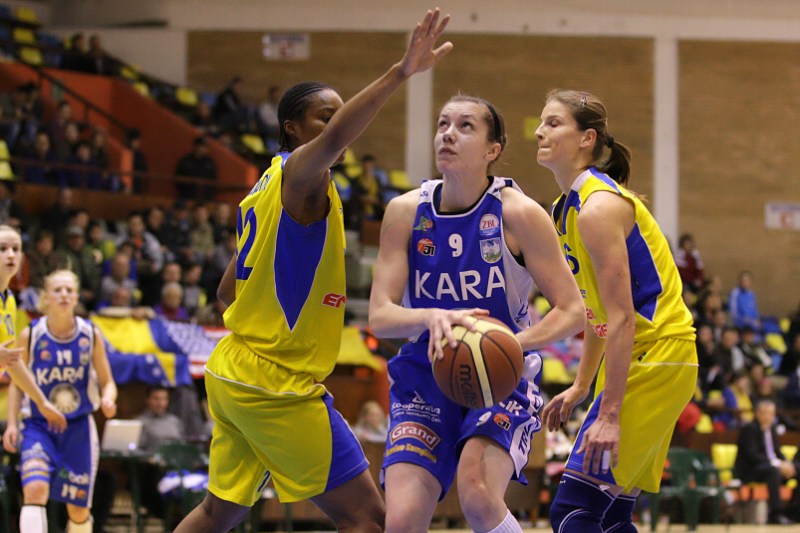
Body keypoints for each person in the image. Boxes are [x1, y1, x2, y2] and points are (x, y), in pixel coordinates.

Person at [173, 9, 453, 533]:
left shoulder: (267, 186)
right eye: (326, 117)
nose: (338, 125)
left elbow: (226, 291)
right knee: (368, 519)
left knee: (218, 513)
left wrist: (266, 319)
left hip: (234, 369)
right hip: (274, 383)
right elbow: (334, 140)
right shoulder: (303, 177)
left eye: (337, 116)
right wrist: (400, 73)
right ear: (293, 128)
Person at [368, 94, 584, 533]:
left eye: (465, 126)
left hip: (499, 377)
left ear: (492, 149)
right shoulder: (405, 212)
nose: (448, 134)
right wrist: (430, 317)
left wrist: (510, 344)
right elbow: (380, 315)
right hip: (425, 371)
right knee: (402, 521)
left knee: (478, 492)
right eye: (443, 124)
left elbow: (573, 310)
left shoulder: (518, 213)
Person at [536, 90, 698, 532]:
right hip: (650, 358)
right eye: (542, 122)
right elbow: (598, 313)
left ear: (586, 138)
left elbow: (623, 316)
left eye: (553, 123)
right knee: (610, 517)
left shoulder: (599, 207)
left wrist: (608, 415)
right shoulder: (564, 210)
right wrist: (581, 385)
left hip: (655, 354)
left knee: (574, 510)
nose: (540, 131)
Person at [3, 268, 114, 533]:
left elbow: (107, 382)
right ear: (46, 297)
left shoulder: (90, 334)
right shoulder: (31, 334)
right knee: (35, 489)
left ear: (76, 297)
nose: (64, 294)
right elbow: (17, 383)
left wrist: (108, 399)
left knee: (77, 510)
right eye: (57, 290)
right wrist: (12, 424)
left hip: (78, 428)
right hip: (38, 425)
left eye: (69, 290)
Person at [734, 399, 799, 524]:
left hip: (769, 468)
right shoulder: (749, 428)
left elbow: (777, 452)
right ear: (757, 413)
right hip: (750, 471)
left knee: (796, 469)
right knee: (773, 471)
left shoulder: (772, 429)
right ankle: (775, 514)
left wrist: (787, 464)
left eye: (771, 413)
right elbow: (753, 455)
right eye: (766, 413)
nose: (769, 417)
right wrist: (778, 465)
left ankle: (794, 511)